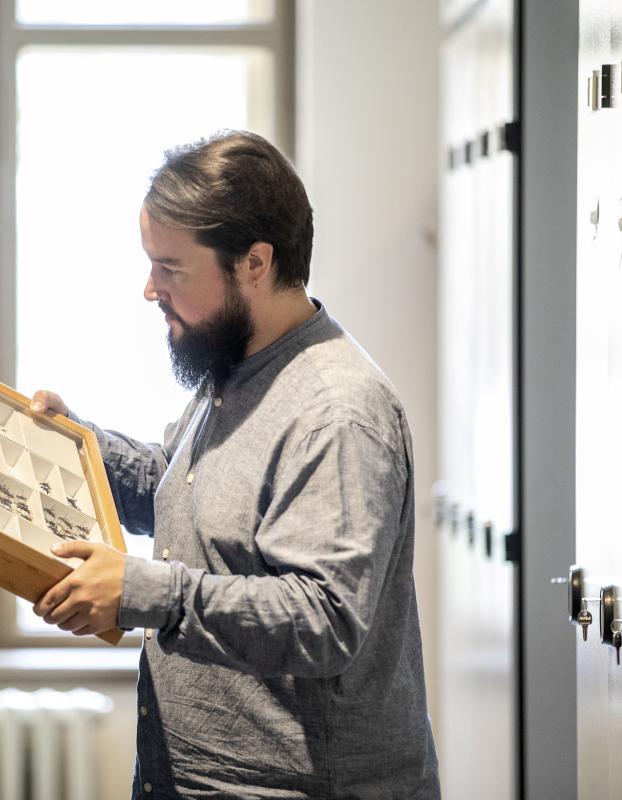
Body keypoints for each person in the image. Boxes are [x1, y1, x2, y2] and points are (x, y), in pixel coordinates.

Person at [29, 130, 440, 799]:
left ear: (255, 262)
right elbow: (186, 490)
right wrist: (80, 448)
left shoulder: (337, 411)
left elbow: (324, 618)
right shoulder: (237, 369)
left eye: (171, 268)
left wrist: (145, 592)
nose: (149, 289)